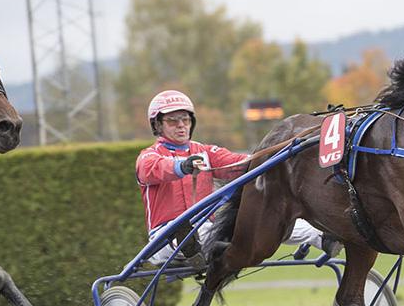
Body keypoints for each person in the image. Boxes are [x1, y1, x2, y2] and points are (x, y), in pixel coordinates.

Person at [136, 90, 341, 267]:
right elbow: (155, 169)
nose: (181, 126)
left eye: (186, 120)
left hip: (206, 228)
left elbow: (239, 163)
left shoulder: (206, 152)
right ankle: (191, 248)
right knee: (185, 235)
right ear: (157, 125)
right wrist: (182, 166)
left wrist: (278, 158)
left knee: (267, 218)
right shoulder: (149, 156)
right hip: (163, 236)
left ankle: (323, 238)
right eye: (173, 120)